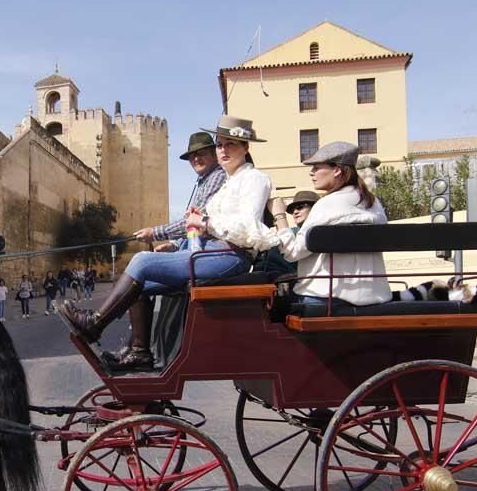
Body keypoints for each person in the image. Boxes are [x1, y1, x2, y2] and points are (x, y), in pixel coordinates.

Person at [61, 116, 273, 369]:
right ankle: (139, 351)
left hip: (230, 256)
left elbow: (247, 227)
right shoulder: (229, 182)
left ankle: (95, 323)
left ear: (246, 147)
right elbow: (200, 226)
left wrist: (205, 222)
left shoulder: (255, 179)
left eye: (231, 145)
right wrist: (186, 236)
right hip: (211, 252)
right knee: (139, 284)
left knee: (141, 260)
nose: (224, 150)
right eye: (221, 144)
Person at [264, 142, 391, 307]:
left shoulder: (327, 204)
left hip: (325, 298)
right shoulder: (374, 203)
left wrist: (279, 215)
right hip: (376, 296)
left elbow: (293, 253)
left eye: (316, 167)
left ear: (337, 170)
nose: (311, 173)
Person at [133, 131, 226, 252]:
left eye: (201, 154)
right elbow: (192, 227)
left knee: (141, 262)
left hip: (217, 248)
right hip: (204, 245)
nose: (196, 159)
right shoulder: (205, 180)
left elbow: (196, 221)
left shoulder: (217, 176)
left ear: (214, 155)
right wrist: (175, 245)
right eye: (192, 156)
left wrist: (154, 233)